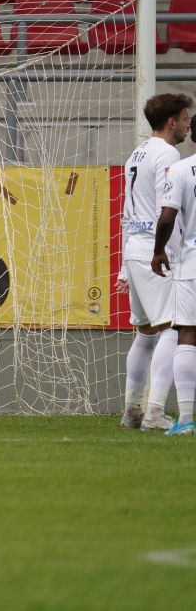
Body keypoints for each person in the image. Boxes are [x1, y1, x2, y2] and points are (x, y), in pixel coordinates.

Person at [117, 93, 191, 430]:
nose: (189, 125)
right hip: (154, 251)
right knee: (173, 330)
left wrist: (122, 266)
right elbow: (167, 210)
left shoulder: (137, 152)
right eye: (186, 118)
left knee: (145, 334)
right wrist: (169, 254)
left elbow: (126, 212)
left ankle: (132, 409)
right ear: (172, 121)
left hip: (135, 248)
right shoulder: (167, 153)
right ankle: (154, 412)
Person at [154, 152, 196, 435]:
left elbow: (167, 216)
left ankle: (185, 419)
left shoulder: (180, 169)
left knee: (187, 333)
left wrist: (158, 251)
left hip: (192, 263)